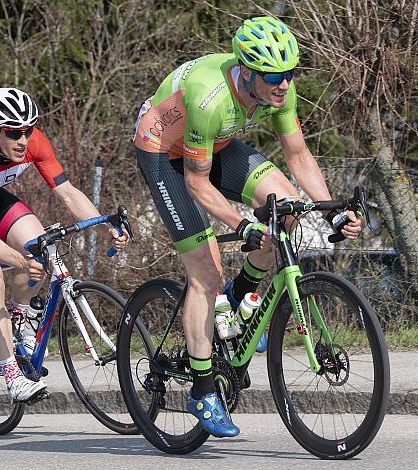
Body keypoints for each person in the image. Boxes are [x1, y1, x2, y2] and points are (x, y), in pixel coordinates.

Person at [133, 16, 363, 437]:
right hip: (164, 153)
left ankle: (241, 297)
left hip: (213, 144)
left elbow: (298, 156)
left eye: (290, 73)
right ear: (248, 71)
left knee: (286, 208)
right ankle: (203, 391)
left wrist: (331, 210)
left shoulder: (281, 92)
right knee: (206, 272)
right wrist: (241, 225)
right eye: (274, 76)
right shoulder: (209, 96)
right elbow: (196, 182)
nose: (284, 84)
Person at [0, 87, 128, 402]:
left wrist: (103, 224)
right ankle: (13, 377)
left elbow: (68, 192)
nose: (23, 139)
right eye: (14, 133)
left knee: (40, 249)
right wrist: (18, 261)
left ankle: (18, 315)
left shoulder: (34, 141)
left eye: (28, 130)